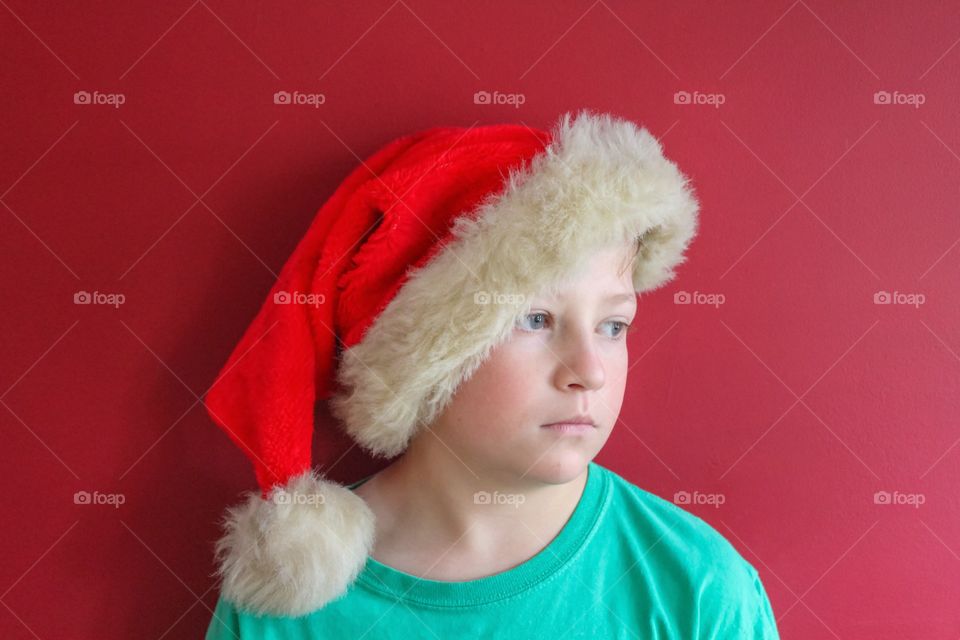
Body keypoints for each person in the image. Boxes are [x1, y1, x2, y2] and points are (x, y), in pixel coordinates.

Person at [202, 110, 780, 638]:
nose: (590, 372)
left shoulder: (699, 591)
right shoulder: (287, 607)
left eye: (612, 325)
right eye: (534, 319)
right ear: (426, 359)